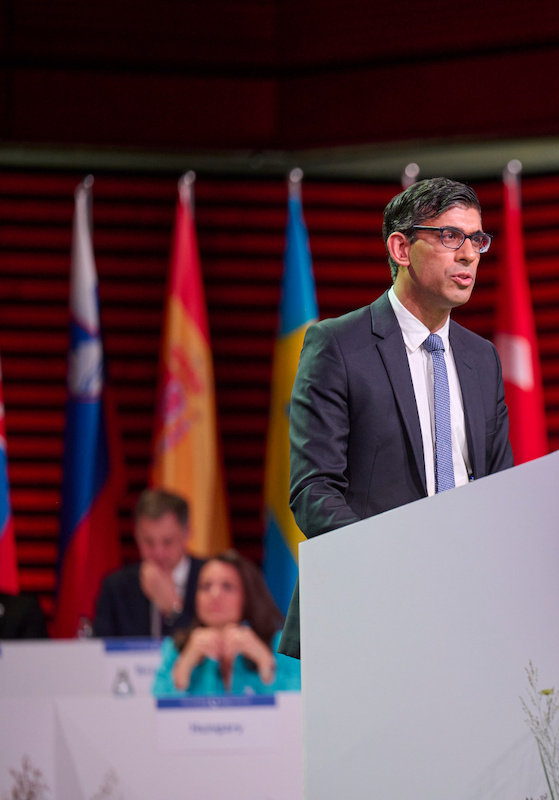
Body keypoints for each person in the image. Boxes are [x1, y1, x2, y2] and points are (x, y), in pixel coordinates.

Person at [279, 177, 514, 659]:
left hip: (468, 610)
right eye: (450, 236)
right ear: (401, 248)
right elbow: (313, 491)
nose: (469, 254)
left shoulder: (482, 358)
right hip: (367, 607)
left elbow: (502, 489)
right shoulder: (337, 345)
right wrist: (395, 564)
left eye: (477, 239)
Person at [153, 550, 299, 696]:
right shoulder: (176, 647)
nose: (214, 594)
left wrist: (264, 662)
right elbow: (155, 705)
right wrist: (184, 666)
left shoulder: (280, 644)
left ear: (247, 595)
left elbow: (299, 701)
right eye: (205, 586)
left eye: (227, 586)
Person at [93, 488, 204, 637]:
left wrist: (173, 610)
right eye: (149, 542)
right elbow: (100, 646)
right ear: (136, 535)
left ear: (187, 533)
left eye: (167, 541)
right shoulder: (116, 587)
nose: (158, 553)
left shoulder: (210, 579)